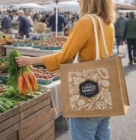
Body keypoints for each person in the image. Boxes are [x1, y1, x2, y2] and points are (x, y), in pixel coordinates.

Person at [16, 0, 115, 139]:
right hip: (105, 95)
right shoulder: (108, 23)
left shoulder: (86, 22)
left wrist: (31, 60)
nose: (77, 1)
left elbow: (64, 57)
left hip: (86, 95)